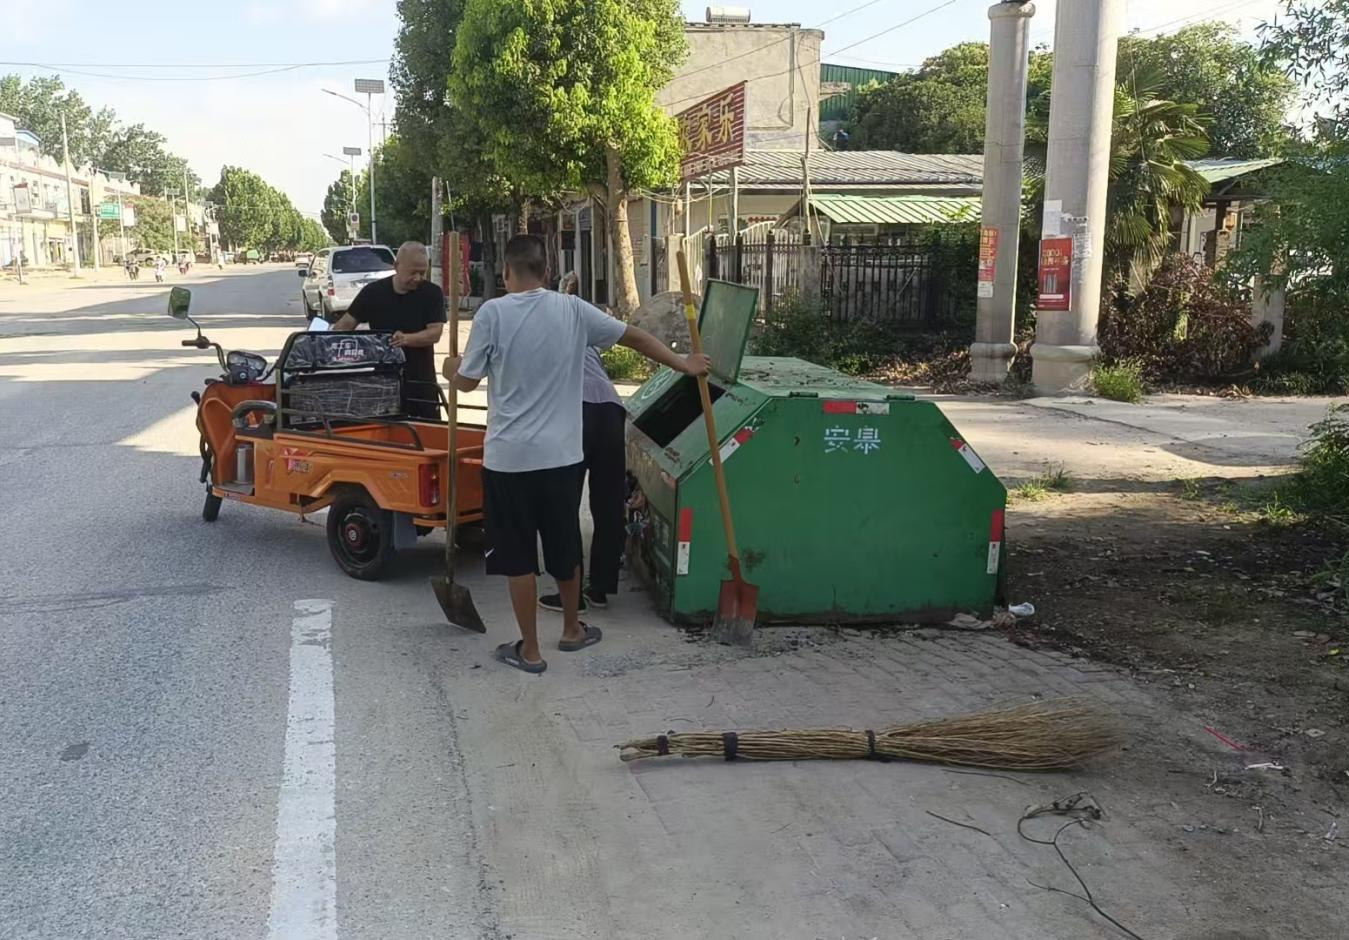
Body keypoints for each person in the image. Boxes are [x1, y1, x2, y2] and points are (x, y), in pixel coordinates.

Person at [445, 235, 709, 675]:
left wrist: (451, 367)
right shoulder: (573, 309)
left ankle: (530, 651)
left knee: (517, 557)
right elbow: (636, 338)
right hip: (561, 459)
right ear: (547, 271)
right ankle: (572, 629)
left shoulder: (492, 313)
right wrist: (685, 364)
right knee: (564, 545)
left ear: (506, 273)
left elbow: (467, 382)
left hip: (508, 460)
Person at [537, 271, 625, 614]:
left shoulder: (540, 332)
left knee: (564, 504)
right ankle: (600, 588)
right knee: (608, 503)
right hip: (610, 409)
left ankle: (571, 594)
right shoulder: (584, 328)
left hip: (575, 411)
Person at [332, 242, 446, 419]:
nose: (418, 278)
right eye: (413, 272)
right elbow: (345, 326)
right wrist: (326, 343)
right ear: (396, 266)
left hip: (421, 383)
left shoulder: (432, 293)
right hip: (382, 382)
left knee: (427, 431)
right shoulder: (373, 293)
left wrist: (406, 339)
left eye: (422, 273)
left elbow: (435, 333)